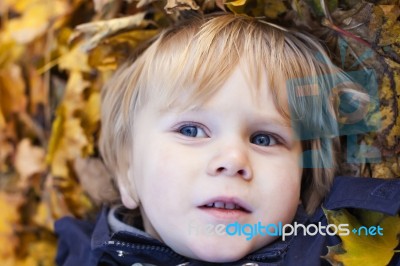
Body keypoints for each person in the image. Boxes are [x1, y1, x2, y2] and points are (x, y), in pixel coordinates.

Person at [55, 13, 400, 265]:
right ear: (128, 172)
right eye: (191, 131)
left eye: (265, 139)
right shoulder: (83, 255)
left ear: (304, 176)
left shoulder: (339, 244)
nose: (233, 159)